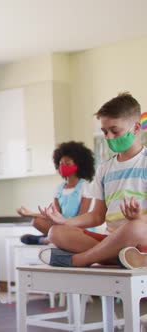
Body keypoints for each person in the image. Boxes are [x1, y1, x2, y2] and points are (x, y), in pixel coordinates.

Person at [37, 92, 147, 268]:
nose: (108, 137)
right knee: (55, 232)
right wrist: (65, 221)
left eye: (115, 131)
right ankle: (123, 258)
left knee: (134, 228)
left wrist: (138, 218)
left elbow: (139, 228)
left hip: (141, 238)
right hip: (110, 240)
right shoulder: (105, 169)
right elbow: (97, 216)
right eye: (104, 131)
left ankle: (81, 259)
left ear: (135, 128)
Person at [18, 141, 95, 245]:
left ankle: (44, 240)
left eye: (67, 164)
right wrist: (30, 213)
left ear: (79, 165)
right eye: (61, 164)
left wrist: (65, 223)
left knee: (64, 231)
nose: (63, 166)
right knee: (36, 221)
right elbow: (55, 216)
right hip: (63, 227)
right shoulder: (59, 189)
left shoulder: (84, 186)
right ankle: (51, 238)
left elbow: (82, 219)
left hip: (79, 228)